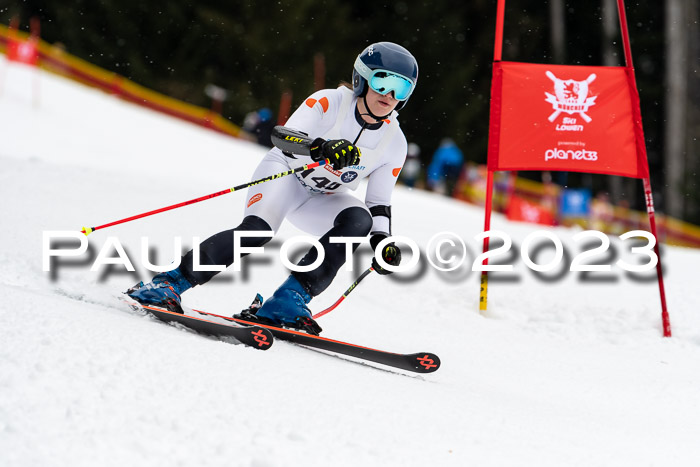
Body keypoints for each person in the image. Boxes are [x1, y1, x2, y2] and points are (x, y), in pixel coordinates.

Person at [126, 41, 419, 335]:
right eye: (383, 82)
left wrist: (383, 242)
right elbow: (282, 136)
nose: (390, 95)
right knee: (257, 231)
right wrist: (320, 148)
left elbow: (379, 201)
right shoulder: (330, 102)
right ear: (363, 78)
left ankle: (287, 300)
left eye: (402, 88)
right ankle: (169, 282)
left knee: (359, 220)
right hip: (285, 175)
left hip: (324, 198)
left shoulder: (395, 142)